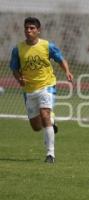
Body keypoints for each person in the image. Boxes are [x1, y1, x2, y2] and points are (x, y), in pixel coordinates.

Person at [9, 17, 73, 163]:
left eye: (32, 28)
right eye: (26, 28)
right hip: (29, 90)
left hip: (47, 85)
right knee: (36, 126)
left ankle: (50, 154)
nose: (28, 30)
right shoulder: (17, 49)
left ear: (38, 30)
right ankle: (51, 119)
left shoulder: (47, 46)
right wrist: (19, 79)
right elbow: (14, 69)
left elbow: (61, 59)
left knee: (44, 115)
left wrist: (67, 72)